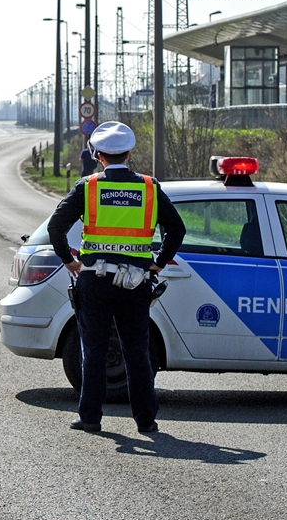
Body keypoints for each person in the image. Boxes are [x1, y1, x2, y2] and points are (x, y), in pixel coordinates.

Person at [46, 120, 185, 435]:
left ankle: (91, 417)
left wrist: (69, 260)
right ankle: (146, 420)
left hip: (95, 279)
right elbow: (176, 229)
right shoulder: (150, 188)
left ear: (97, 154)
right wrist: (158, 263)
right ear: (129, 153)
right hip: (136, 282)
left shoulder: (89, 187)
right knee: (136, 351)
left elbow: (56, 226)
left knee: (93, 350)